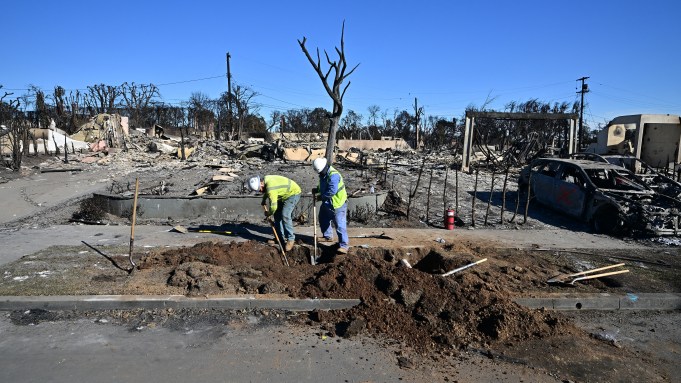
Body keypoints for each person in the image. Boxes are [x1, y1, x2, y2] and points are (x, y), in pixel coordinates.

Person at [247, 174, 301, 251]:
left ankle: (291, 239)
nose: (260, 191)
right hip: (283, 194)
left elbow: (273, 207)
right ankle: (279, 237)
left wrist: (268, 213)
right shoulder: (266, 180)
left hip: (293, 193)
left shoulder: (271, 188)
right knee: (277, 216)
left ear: (261, 184)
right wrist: (264, 199)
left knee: (285, 214)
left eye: (260, 189)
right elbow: (267, 191)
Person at [312, 157, 349, 254]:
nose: (319, 173)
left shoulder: (334, 175)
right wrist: (317, 190)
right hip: (328, 203)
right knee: (323, 218)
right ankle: (328, 236)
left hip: (337, 204)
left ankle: (344, 246)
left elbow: (332, 191)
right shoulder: (323, 174)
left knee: (340, 225)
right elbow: (322, 186)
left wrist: (321, 197)